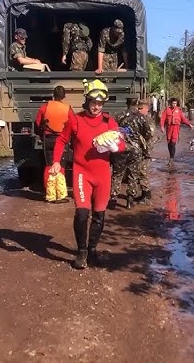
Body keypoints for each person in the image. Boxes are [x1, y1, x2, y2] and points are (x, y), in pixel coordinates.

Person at [50, 79, 126, 269]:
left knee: (99, 215)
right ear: (87, 101)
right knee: (82, 213)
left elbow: (122, 143)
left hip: (102, 175)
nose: (96, 107)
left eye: (100, 103)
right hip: (82, 173)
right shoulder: (76, 120)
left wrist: (116, 146)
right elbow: (61, 140)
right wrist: (57, 162)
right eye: (93, 102)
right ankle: (81, 252)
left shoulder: (109, 122)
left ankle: (92, 250)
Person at [108, 98, 153, 209]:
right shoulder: (141, 117)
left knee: (117, 174)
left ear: (126, 103)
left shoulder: (119, 116)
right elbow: (148, 134)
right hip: (136, 150)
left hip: (120, 148)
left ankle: (113, 199)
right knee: (133, 175)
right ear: (136, 104)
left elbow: (112, 131)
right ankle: (129, 200)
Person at [35, 85, 73, 200]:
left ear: (53, 95)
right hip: (62, 140)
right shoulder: (68, 109)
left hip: (48, 139)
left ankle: (49, 194)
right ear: (64, 96)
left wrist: (42, 134)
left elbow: (37, 123)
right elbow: (72, 124)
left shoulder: (44, 107)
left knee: (49, 165)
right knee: (60, 165)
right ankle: (60, 194)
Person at [160, 98, 194, 165]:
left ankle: (172, 158)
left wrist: (189, 125)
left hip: (176, 128)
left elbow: (183, 119)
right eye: (173, 103)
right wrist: (162, 126)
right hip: (169, 128)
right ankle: (171, 156)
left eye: (175, 103)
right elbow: (163, 118)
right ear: (170, 103)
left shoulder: (179, 110)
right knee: (169, 143)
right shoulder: (167, 110)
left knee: (173, 143)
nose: (174, 105)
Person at [135, 98, 157, 204]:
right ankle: (144, 194)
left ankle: (146, 195)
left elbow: (150, 135)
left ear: (146, 109)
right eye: (138, 108)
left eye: (140, 109)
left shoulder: (147, 120)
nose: (138, 110)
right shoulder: (141, 119)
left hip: (146, 149)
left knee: (143, 172)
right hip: (142, 149)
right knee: (140, 171)